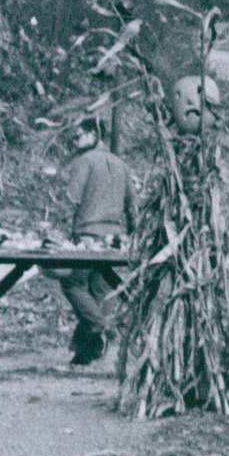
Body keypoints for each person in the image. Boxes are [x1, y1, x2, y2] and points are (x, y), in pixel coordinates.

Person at [57, 116, 133, 365]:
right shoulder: (121, 164)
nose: (73, 142)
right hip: (114, 239)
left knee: (72, 283)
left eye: (77, 136)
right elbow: (133, 206)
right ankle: (84, 355)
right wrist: (132, 236)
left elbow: (71, 202)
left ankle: (105, 328)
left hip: (88, 235)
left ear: (93, 135)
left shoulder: (85, 161)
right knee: (98, 293)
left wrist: (58, 235)